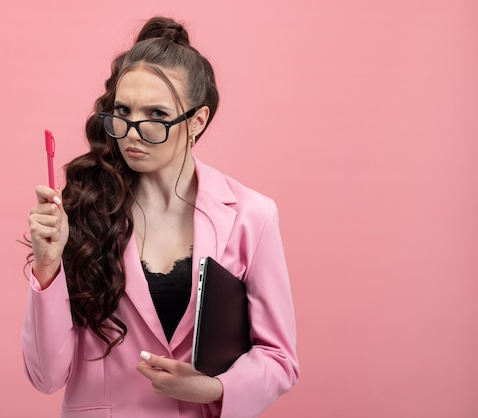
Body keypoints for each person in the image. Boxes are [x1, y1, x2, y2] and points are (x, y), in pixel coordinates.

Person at [22, 16, 299, 418]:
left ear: (197, 121)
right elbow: (46, 376)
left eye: (155, 114)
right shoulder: (81, 207)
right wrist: (47, 269)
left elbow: (279, 358)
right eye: (122, 111)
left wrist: (215, 388)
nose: (132, 132)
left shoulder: (252, 215)